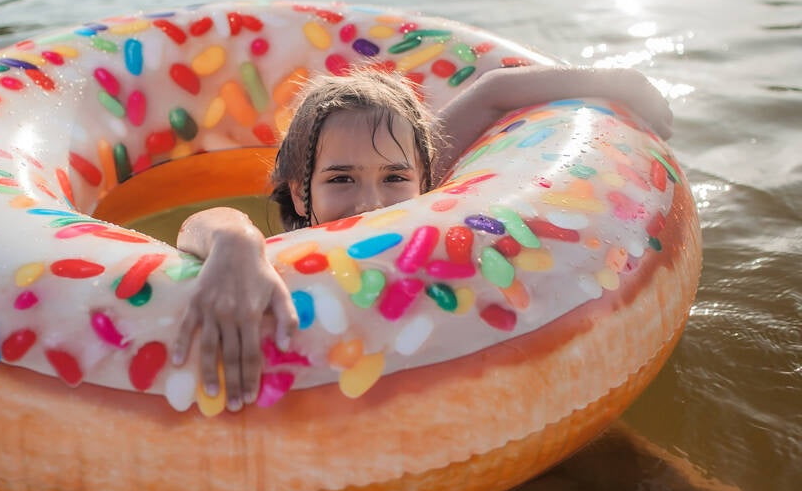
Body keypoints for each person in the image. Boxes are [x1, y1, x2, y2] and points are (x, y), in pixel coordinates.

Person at [171, 64, 673, 411]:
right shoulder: (281, 250)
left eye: (394, 178)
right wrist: (235, 240)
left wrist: (621, 82)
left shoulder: (420, 181)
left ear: (427, 179)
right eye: (340, 180)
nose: (372, 203)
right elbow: (198, 225)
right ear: (301, 197)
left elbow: (494, 91)